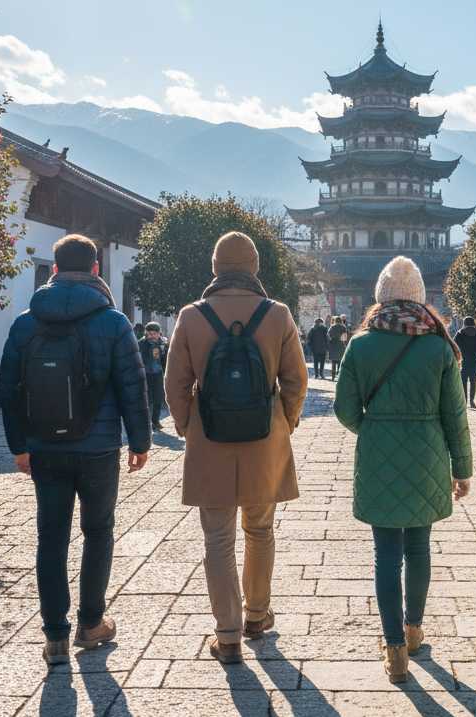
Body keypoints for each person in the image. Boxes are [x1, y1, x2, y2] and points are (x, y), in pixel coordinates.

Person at [0, 234, 151, 666]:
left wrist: (18, 446)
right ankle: (91, 624)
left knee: (51, 538)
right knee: (98, 532)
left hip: (44, 447)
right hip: (99, 448)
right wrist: (139, 442)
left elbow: (8, 390)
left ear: (54, 269)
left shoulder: (27, 322)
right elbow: (132, 386)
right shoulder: (114, 322)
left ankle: (54, 636)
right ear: (97, 269)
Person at [164, 231, 308, 664]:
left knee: (218, 538)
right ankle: (257, 616)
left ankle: (227, 635)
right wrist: (285, 422)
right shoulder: (278, 314)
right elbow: (296, 381)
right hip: (265, 441)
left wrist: (191, 427)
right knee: (260, 530)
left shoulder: (191, 316)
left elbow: (175, 385)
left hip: (211, 441)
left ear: (215, 267)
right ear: (254, 268)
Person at [334, 256, 473, 683]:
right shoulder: (439, 346)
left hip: (378, 456)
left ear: (378, 297)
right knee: (419, 548)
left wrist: (373, 428)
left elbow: (343, 409)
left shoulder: (360, 344)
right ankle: (414, 631)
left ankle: (393, 648)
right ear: (421, 299)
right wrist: (462, 468)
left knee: (385, 555)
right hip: (429, 455)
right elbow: (455, 414)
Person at [138, 322, 168, 430]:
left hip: (158, 374)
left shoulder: (163, 344)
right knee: (147, 399)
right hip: (145, 374)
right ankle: (145, 422)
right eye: (149, 334)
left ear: (159, 333)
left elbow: (166, 360)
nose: (151, 336)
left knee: (158, 398)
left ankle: (155, 421)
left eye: (154, 333)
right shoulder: (141, 343)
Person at [454, 316, 476, 408]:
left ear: (464, 323)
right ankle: (472, 401)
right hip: (475, 363)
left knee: (463, 382)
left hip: (463, 363)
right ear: (473, 323)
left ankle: (464, 401)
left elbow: (453, 347)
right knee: (473, 382)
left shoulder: (459, 334)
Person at [328, 315, 347, 380]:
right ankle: (339, 376)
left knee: (333, 362)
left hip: (333, 345)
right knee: (339, 362)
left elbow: (328, 336)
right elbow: (345, 337)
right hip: (340, 345)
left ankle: (333, 377)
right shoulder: (343, 327)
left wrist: (331, 341)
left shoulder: (332, 327)